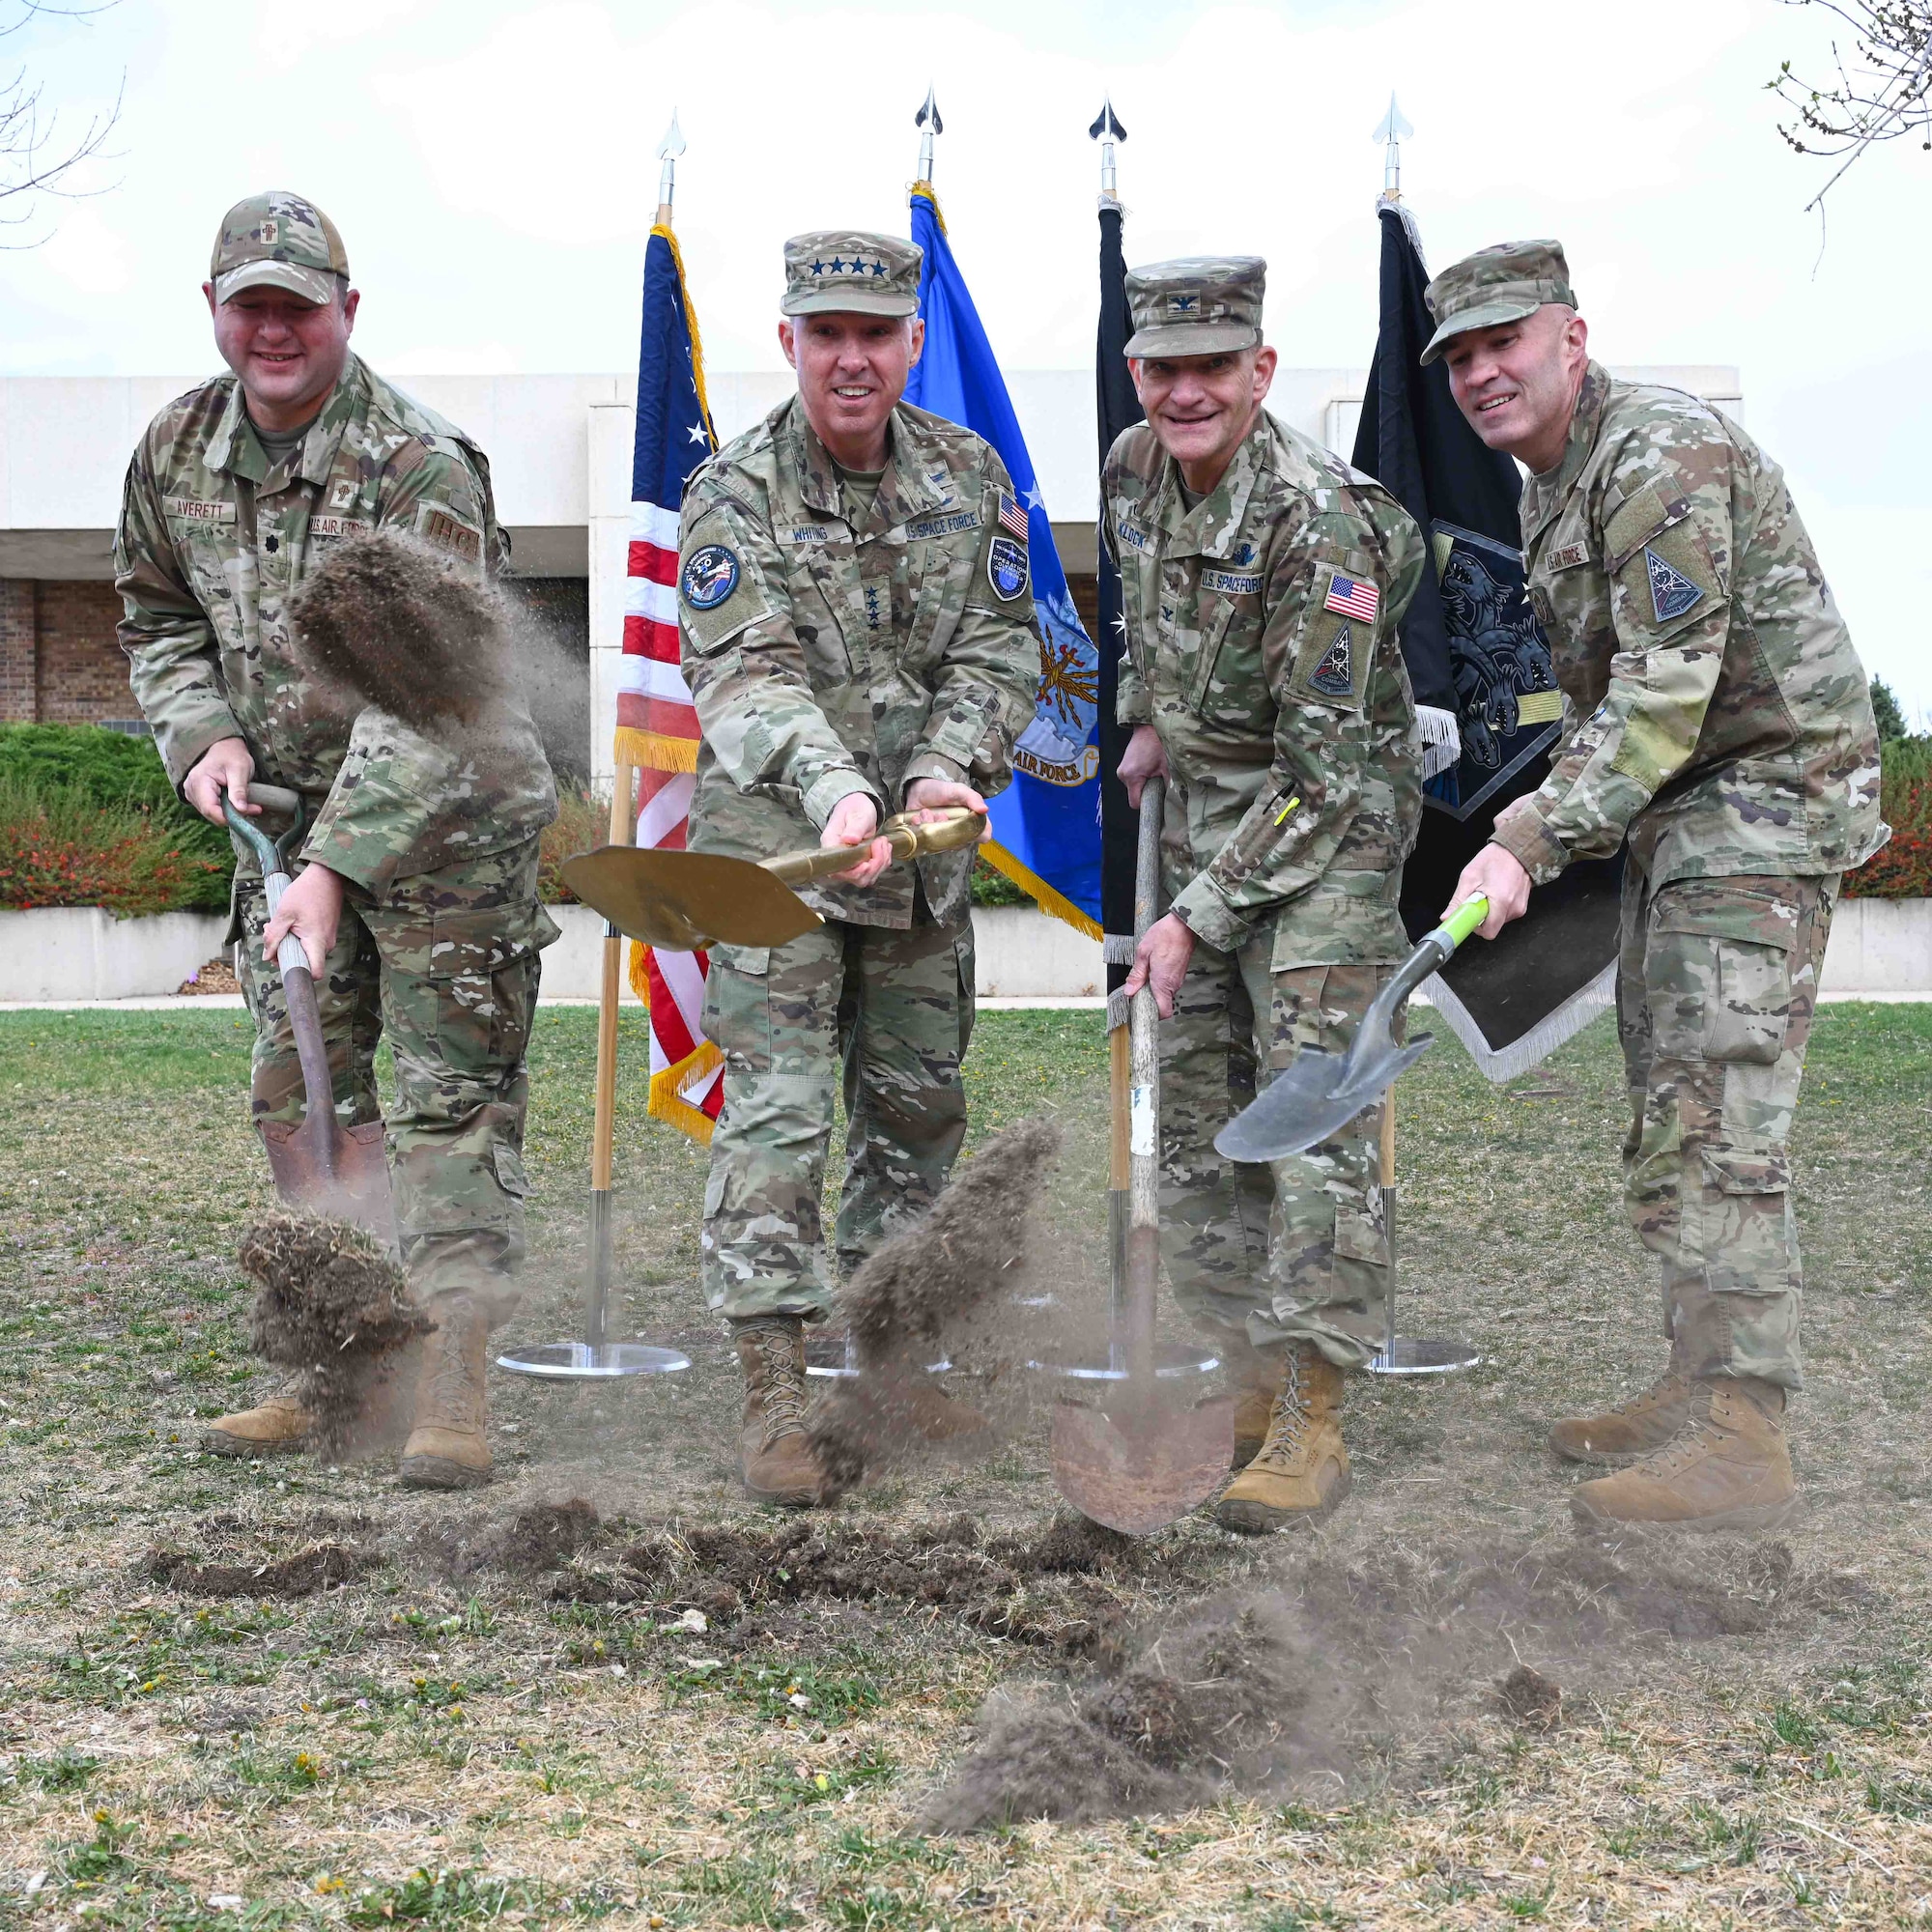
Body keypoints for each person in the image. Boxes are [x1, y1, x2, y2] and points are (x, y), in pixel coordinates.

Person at [1428, 240, 1886, 1530]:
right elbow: (1597, 703)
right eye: (1457, 356)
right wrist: (1540, 822)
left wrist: (1529, 838)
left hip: (1762, 798)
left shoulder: (1656, 457)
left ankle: (1747, 1438)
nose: (1479, 373)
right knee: (1668, 1098)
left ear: (1570, 338)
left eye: (1502, 342)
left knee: (1721, 1109)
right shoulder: (1552, 484)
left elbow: (1665, 693)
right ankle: (1697, 1383)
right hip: (1679, 816)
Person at [115, 191, 557, 1491]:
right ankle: (331, 1371)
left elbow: (432, 698)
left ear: (346, 313)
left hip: (448, 833)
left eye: (298, 305)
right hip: (285, 830)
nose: (273, 329)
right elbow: (153, 615)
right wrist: (205, 738)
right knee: (304, 1097)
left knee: (445, 1111)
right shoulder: (174, 453)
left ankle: (453, 1391)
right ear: (214, 312)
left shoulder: (422, 465)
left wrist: (332, 867)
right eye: (249, 304)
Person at [676, 230, 1039, 1505]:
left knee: (917, 1109)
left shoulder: (970, 472)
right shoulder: (732, 491)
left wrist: (947, 769)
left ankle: (890, 1360)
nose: (850, 359)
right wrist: (838, 790)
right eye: (825, 334)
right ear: (789, 341)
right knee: (779, 1113)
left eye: (874, 335)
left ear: (911, 344)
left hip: (920, 861)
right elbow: (745, 671)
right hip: (779, 852)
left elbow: (1003, 646)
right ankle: (776, 1393)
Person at [1106, 257, 1428, 1533]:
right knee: (1193, 1115)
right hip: (1204, 807)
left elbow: (1327, 770)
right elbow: (1147, 615)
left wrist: (1195, 917)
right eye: (1165, 368)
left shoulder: (1322, 519)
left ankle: (1314, 1408)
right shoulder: (1134, 469)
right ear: (1139, 374)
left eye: (1213, 369)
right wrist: (1145, 717)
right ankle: (1240, 1369)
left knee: (1306, 1114)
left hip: (1326, 825)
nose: (1187, 393)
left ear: (1262, 373)